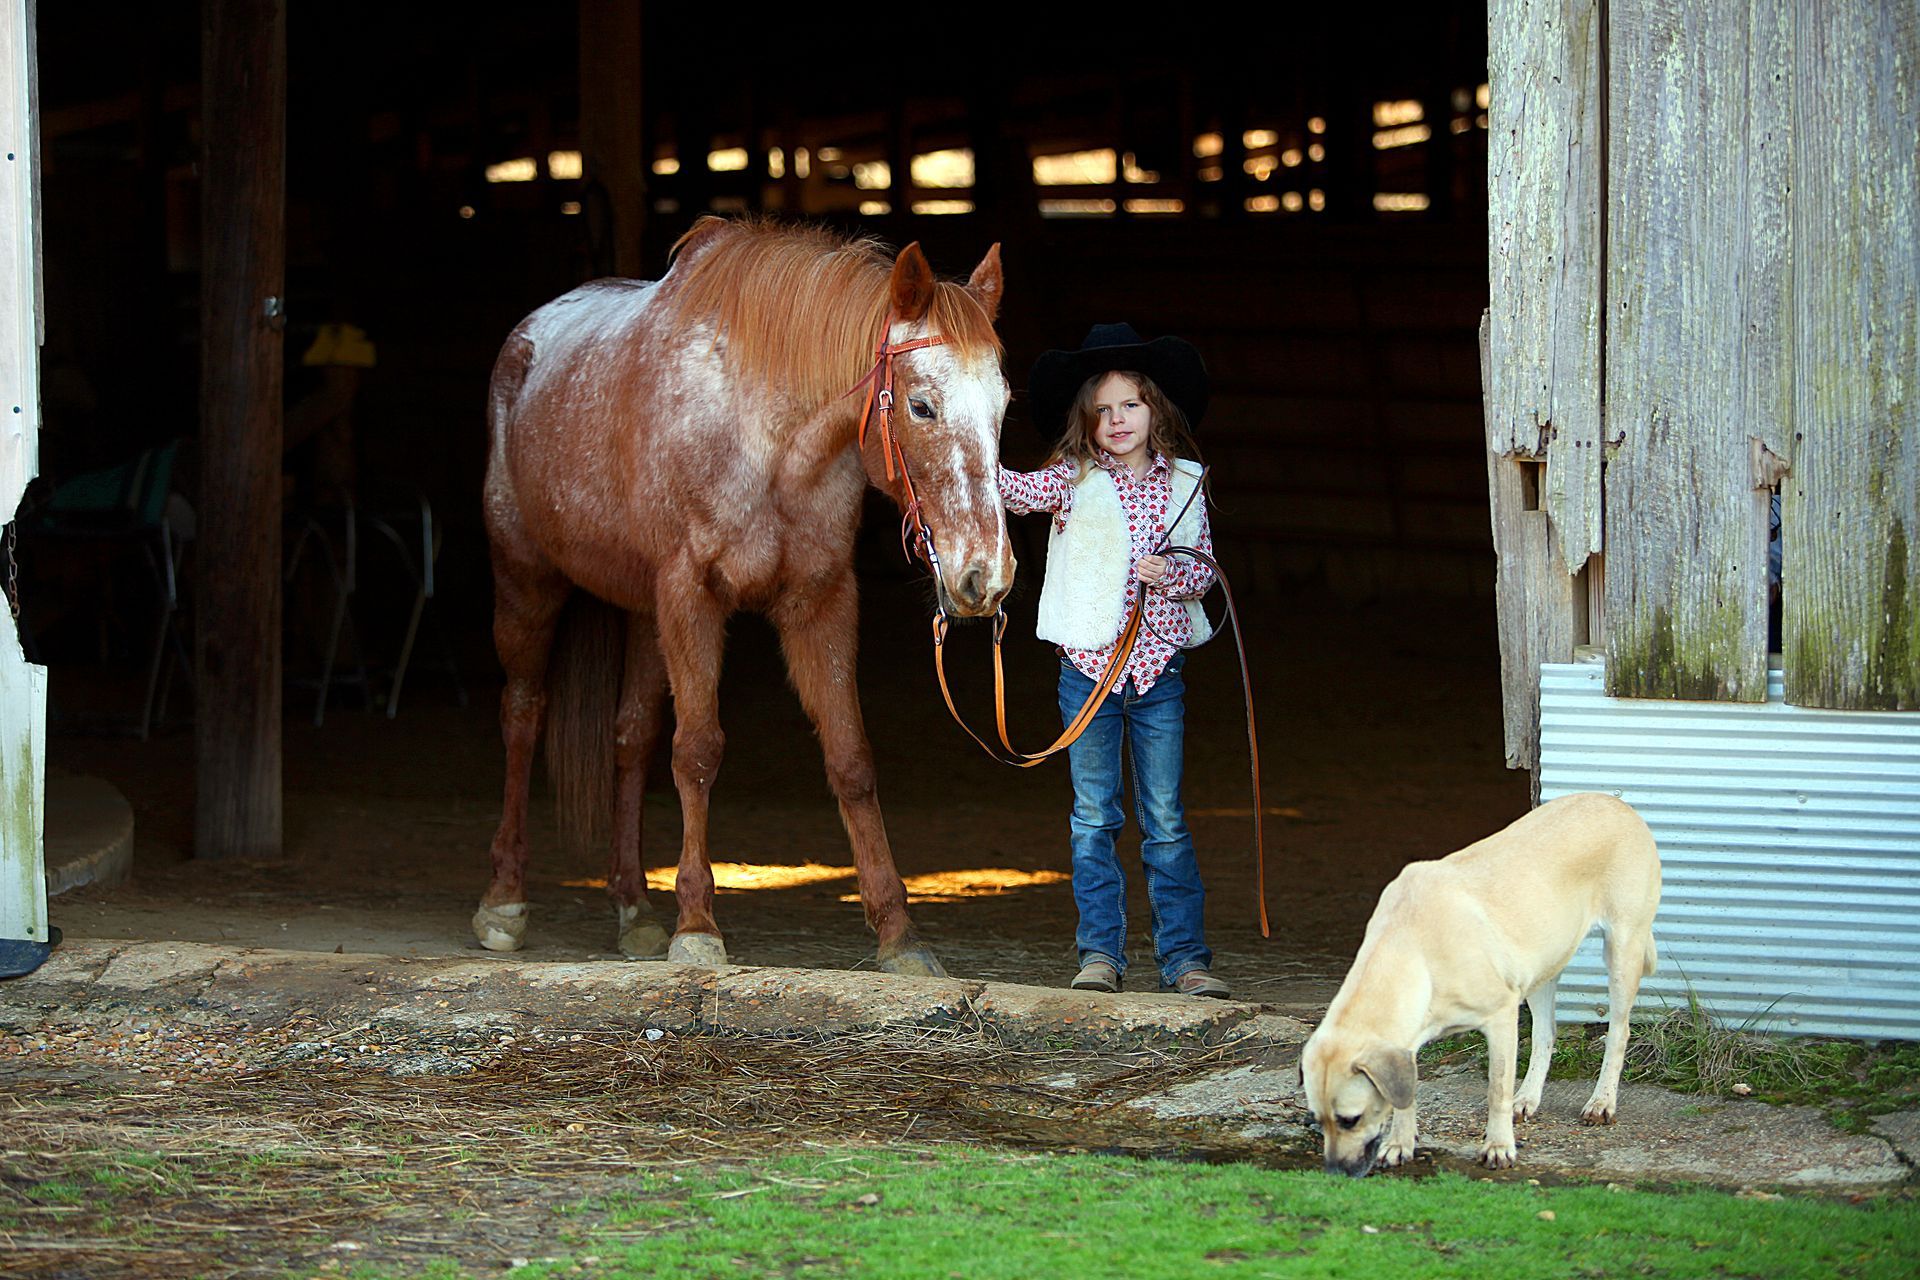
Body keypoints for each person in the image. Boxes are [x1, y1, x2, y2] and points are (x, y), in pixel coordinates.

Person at [998, 323, 1228, 998]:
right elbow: (1011, 491)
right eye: (1103, 409)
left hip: (1159, 671)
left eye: (1129, 404)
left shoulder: (1186, 481)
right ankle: (1100, 955)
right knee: (1095, 815)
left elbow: (1206, 568)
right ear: (1086, 423)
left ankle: (1185, 960)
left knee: (1166, 819)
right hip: (1088, 674)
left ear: (1154, 408)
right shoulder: (1068, 480)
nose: (1117, 419)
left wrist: (1175, 575)